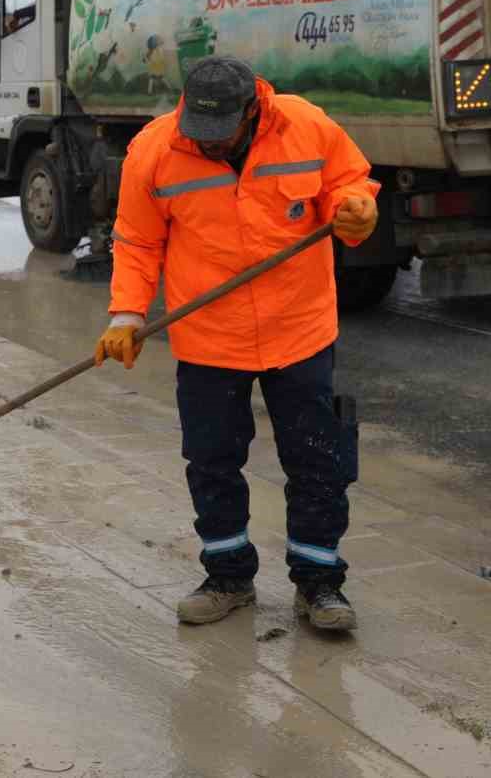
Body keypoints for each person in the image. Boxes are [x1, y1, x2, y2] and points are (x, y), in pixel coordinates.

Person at [92, 55, 379, 633]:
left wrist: (355, 209)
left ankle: (320, 582)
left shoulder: (306, 125)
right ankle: (227, 575)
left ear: (253, 111)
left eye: (223, 134)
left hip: (299, 327)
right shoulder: (153, 151)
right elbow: (138, 242)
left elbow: (347, 180)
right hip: (209, 339)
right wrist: (126, 314)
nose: (212, 146)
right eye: (202, 135)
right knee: (212, 461)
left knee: (318, 459)